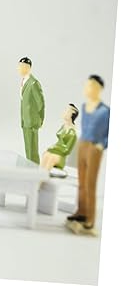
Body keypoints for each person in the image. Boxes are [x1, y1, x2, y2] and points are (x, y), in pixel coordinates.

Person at [66, 75, 110, 233]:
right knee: (81, 182)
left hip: (94, 148)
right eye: (87, 85)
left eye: (91, 86)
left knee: (90, 184)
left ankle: (90, 218)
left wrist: (102, 144)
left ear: (99, 88)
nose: (87, 89)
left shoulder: (105, 111)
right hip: (82, 145)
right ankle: (81, 211)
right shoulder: (84, 107)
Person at [17, 57, 45, 164]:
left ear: (28, 67)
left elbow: (40, 103)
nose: (19, 69)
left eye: (22, 66)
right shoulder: (24, 82)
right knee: (28, 148)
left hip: (32, 122)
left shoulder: (33, 83)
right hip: (25, 121)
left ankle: (35, 169)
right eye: (19, 66)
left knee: (32, 149)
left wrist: (40, 119)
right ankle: (30, 168)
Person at [40, 103, 79, 175]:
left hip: (60, 156)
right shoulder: (63, 126)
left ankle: (43, 177)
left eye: (67, 111)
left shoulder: (72, 133)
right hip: (54, 151)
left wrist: (55, 148)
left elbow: (67, 150)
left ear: (72, 114)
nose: (64, 112)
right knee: (45, 155)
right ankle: (38, 175)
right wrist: (52, 149)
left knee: (51, 158)